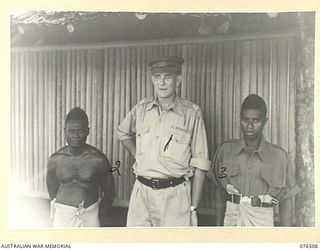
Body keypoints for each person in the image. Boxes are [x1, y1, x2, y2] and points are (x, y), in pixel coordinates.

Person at [117, 56, 210, 227]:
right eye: (157, 77)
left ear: (178, 80)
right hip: (141, 193)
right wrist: (138, 155)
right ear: (152, 79)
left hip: (174, 195)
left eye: (167, 76)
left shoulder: (191, 113)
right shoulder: (141, 109)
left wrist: (193, 206)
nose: (162, 83)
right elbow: (123, 133)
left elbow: (201, 164)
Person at [209, 94, 299, 227]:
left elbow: (287, 200)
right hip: (232, 218)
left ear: (265, 121)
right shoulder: (226, 151)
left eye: (256, 120)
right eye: (246, 120)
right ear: (240, 119)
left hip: (262, 219)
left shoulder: (279, 156)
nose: (250, 125)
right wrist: (218, 227)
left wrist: (285, 236)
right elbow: (220, 191)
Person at [46, 107, 115, 227]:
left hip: (90, 214)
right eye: (71, 131)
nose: (76, 136)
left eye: (80, 131)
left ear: (87, 131)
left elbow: (110, 192)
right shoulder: (55, 159)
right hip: (63, 215)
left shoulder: (98, 159)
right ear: (65, 131)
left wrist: (97, 213)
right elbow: (52, 189)